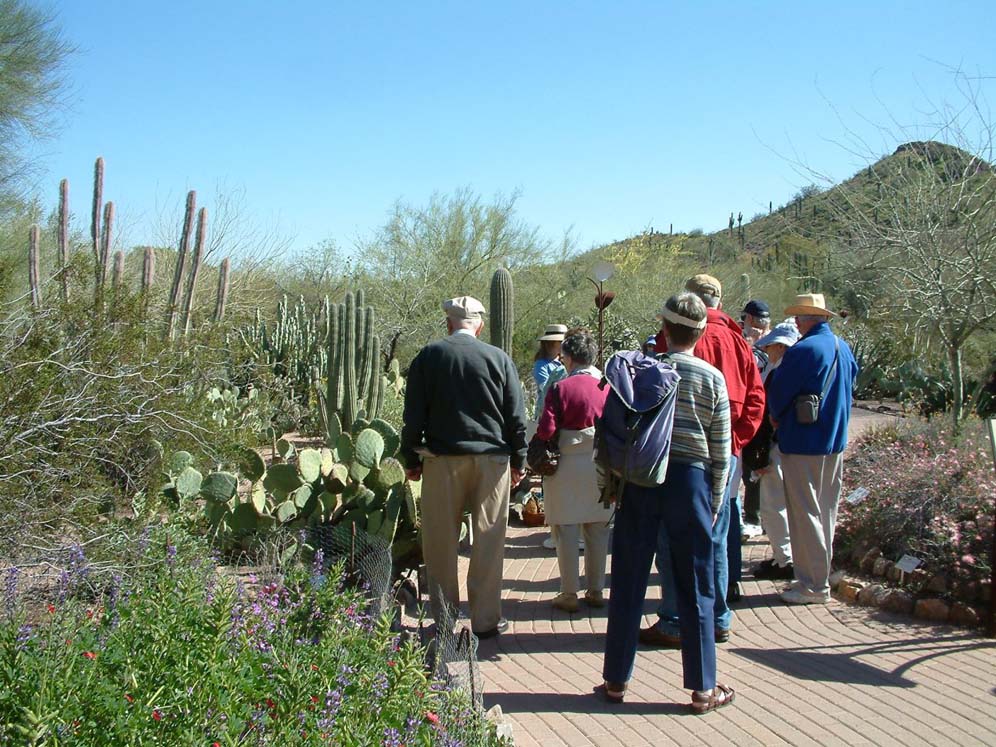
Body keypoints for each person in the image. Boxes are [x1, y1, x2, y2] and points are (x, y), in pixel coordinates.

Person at [601, 292, 735, 714]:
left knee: (628, 580)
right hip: (690, 484)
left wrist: (611, 486)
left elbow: (614, 436)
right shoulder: (713, 379)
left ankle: (616, 682)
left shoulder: (643, 373)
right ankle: (702, 688)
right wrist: (712, 504)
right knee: (697, 585)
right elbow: (721, 451)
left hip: (641, 482)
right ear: (700, 331)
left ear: (664, 328)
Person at [644, 274, 764, 646]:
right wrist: (734, 441)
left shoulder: (675, 338)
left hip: (678, 455)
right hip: (725, 452)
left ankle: (676, 618)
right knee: (718, 535)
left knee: (672, 540)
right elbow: (757, 397)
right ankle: (718, 617)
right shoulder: (737, 340)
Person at [400, 295, 528, 637]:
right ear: (480, 324)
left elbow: (413, 416)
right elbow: (516, 417)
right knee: (489, 539)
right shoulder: (499, 359)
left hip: (443, 461)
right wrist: (519, 459)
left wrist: (410, 459)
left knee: (440, 542)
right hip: (493, 461)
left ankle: (444, 619)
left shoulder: (429, 357)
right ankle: (485, 621)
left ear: (448, 322)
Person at [766, 294, 858, 604]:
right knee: (825, 511)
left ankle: (814, 585)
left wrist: (776, 418)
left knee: (805, 513)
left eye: (799, 316)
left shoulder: (802, 350)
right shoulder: (842, 348)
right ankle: (815, 577)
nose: (795, 322)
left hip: (803, 441)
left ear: (807, 319)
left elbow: (778, 395)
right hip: (834, 442)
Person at [534, 328, 611, 612]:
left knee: (565, 530)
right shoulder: (607, 386)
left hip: (565, 463)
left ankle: (569, 593)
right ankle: (596, 589)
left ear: (568, 358)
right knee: (598, 529)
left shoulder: (560, 388)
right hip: (601, 464)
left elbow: (546, 430)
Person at [742, 320, 800, 580]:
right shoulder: (791, 371)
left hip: (776, 447)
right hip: (791, 447)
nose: (768, 351)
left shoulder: (779, 374)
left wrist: (760, 454)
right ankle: (785, 557)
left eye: (772, 346)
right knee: (786, 506)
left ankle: (785, 559)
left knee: (773, 506)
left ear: (780, 346)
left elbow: (768, 415)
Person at [735, 299, 772, 539]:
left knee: (758, 468)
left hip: (763, 415)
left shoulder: (772, 345)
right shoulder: (741, 341)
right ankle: (752, 516)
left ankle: (756, 517)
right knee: (748, 469)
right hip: (750, 413)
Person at [531, 323, 568, 551]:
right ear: (550, 344)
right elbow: (546, 388)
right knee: (549, 463)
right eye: (559, 342)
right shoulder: (543, 365)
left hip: (563, 418)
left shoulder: (561, 363)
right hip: (546, 416)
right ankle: (552, 522)